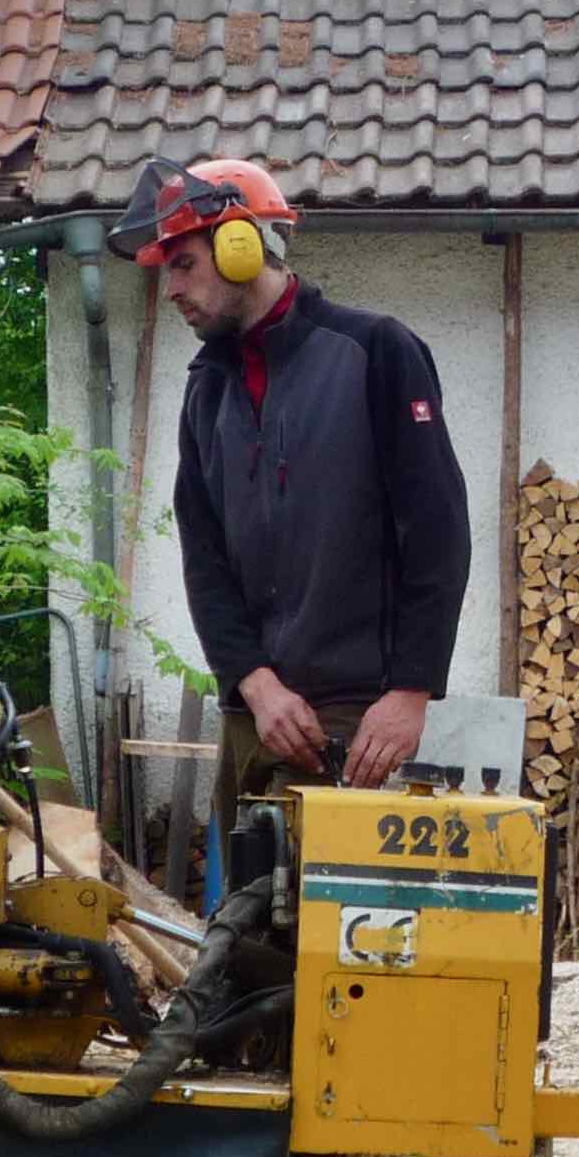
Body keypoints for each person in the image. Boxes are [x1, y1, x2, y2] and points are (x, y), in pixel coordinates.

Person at [150, 157, 471, 821]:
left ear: (242, 247)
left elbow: (437, 531)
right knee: (244, 920)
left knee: (352, 923)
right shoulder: (205, 389)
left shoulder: (376, 350)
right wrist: (257, 686)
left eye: (182, 264)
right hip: (258, 717)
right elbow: (203, 559)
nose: (170, 289)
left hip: (361, 722)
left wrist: (411, 691)